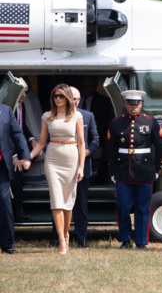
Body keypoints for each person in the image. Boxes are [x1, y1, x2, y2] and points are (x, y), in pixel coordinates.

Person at [30, 84, 85, 254]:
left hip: (71, 156)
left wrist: (81, 167)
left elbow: (82, 143)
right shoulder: (47, 116)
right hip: (52, 157)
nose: (58, 99)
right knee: (56, 200)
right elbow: (41, 143)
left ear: (67, 97)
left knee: (68, 202)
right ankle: (61, 239)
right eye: (55, 96)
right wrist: (28, 157)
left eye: (61, 96)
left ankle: (66, 234)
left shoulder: (77, 115)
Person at [107, 90, 162, 249]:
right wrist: (112, 172)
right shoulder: (116, 123)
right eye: (130, 104)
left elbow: (161, 147)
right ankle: (125, 239)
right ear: (125, 104)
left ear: (141, 104)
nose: (134, 107)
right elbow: (111, 150)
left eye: (137, 104)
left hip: (145, 172)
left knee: (143, 208)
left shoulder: (151, 122)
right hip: (122, 172)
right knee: (122, 207)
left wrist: (157, 170)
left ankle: (141, 241)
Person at [49, 86, 100, 248]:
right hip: (61, 163)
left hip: (81, 166)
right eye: (73, 98)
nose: (76, 101)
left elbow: (95, 139)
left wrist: (85, 153)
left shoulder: (87, 115)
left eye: (77, 98)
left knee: (81, 204)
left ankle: (81, 239)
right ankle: (57, 238)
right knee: (59, 201)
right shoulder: (54, 116)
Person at [0, 103, 31, 254]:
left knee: (4, 203)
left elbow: (17, 134)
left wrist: (25, 155)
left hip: (2, 166)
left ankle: (7, 244)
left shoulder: (5, 110)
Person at [78, 76, 114, 184]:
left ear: (95, 87)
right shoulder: (73, 100)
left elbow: (107, 123)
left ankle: (101, 177)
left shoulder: (104, 101)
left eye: (89, 86)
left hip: (97, 135)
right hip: (75, 135)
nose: (86, 89)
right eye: (84, 86)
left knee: (109, 144)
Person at [11, 85, 39, 222]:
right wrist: (13, 155)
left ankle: (19, 210)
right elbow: (8, 132)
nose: (25, 95)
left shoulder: (23, 106)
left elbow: (22, 128)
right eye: (22, 91)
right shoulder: (9, 107)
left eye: (27, 92)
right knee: (16, 179)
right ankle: (18, 212)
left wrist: (32, 139)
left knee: (37, 151)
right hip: (9, 149)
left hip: (20, 145)